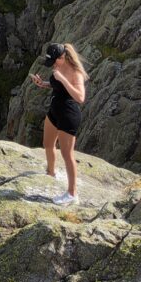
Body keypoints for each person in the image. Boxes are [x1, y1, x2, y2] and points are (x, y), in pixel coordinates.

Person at [30, 42, 88, 205]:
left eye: (55, 61)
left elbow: (80, 98)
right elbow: (58, 87)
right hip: (55, 110)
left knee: (67, 154)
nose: (53, 65)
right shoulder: (57, 67)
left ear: (63, 57)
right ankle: (51, 172)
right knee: (48, 144)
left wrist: (62, 78)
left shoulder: (75, 73)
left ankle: (72, 194)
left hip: (68, 115)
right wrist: (44, 84)